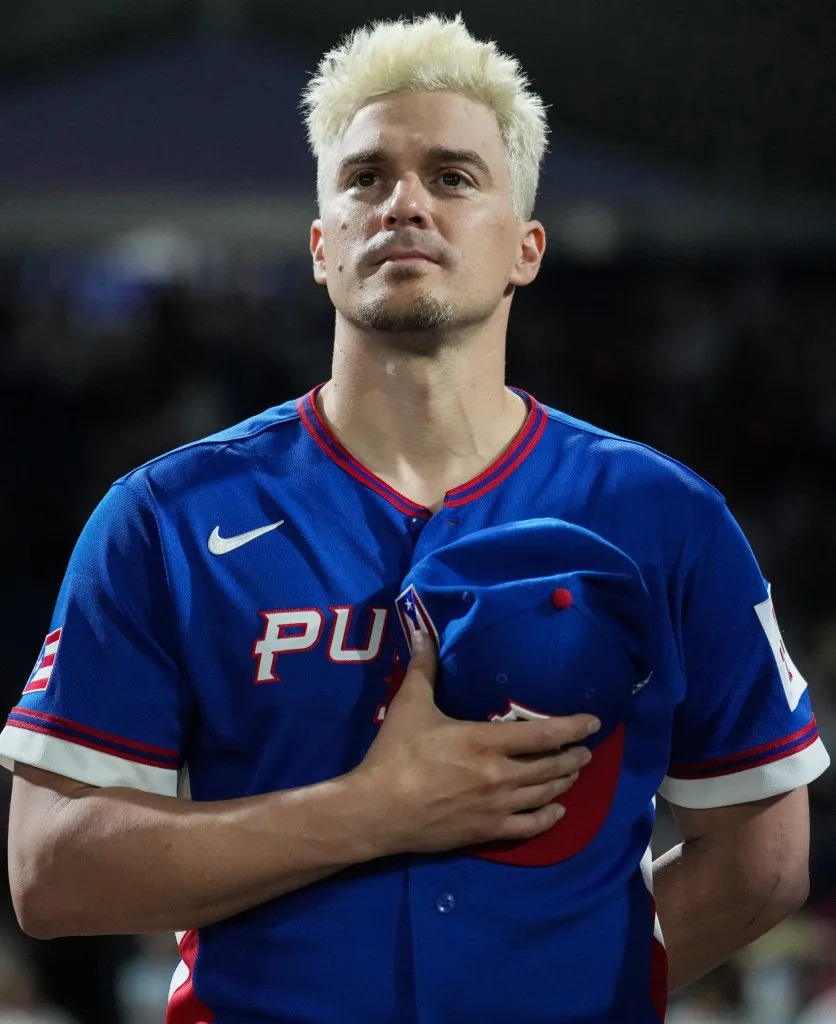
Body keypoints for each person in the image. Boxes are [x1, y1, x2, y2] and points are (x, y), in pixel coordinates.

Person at [1, 14, 829, 1024]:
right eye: (365, 178)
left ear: (525, 247)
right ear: (321, 247)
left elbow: (761, 854)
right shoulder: (164, 519)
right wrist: (372, 811)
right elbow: (50, 871)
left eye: (451, 176)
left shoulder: (664, 516)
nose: (403, 203)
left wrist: (570, 995)